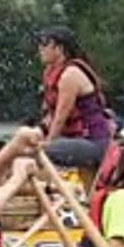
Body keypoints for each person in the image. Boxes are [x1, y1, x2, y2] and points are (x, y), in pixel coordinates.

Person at [37, 26, 113, 168]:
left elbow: (60, 118)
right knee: (25, 144)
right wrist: (37, 133)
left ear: (59, 49)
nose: (40, 49)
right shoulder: (49, 73)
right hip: (76, 140)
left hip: (94, 142)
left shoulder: (70, 74)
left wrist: (47, 144)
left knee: (38, 152)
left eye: (45, 44)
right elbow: (49, 116)